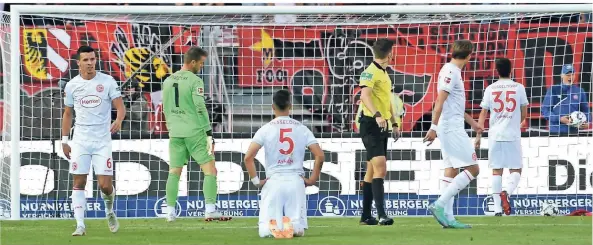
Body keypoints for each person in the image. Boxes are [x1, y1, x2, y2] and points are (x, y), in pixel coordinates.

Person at [62, 46, 126, 236]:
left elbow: (120, 108)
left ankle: (109, 210)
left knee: (105, 185)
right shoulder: (72, 85)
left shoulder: (107, 82)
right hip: (81, 138)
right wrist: (65, 140)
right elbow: (67, 114)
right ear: (78, 63)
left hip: (102, 140)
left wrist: (119, 119)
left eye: (92, 59)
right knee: (79, 181)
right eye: (86, 60)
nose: (90, 63)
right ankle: (80, 224)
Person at [162, 47, 231, 222]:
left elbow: (166, 108)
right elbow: (200, 107)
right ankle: (210, 209)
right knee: (210, 170)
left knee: (174, 172)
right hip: (195, 131)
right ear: (192, 62)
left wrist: (172, 126)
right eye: (201, 63)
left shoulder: (168, 80)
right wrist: (208, 132)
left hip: (175, 132)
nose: (201, 66)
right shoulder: (195, 81)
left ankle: (169, 212)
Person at [244, 89, 324, 239]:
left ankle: (274, 228)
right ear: (290, 106)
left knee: (265, 231)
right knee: (298, 228)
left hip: (273, 181)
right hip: (296, 181)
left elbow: (248, 157)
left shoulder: (265, 129)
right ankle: (292, 228)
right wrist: (312, 180)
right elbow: (319, 155)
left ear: (273, 107)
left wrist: (256, 182)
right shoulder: (302, 128)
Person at [423, 40, 483, 229]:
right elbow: (439, 101)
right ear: (469, 55)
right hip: (450, 128)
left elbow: (452, 104)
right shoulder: (451, 72)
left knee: (451, 170)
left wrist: (473, 123)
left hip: (450, 124)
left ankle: (447, 218)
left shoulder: (451, 70)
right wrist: (433, 127)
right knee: (474, 169)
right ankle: (439, 205)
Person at [475, 58, 528, 216]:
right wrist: (515, 123)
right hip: (512, 134)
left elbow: (483, 113)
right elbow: (524, 111)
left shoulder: (490, 88)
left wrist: (478, 135)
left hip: (495, 135)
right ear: (511, 70)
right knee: (516, 169)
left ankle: (497, 209)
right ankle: (507, 191)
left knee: (496, 171)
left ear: (496, 71)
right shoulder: (519, 88)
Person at [357, 38, 401, 226]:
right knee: (381, 167)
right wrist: (376, 115)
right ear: (389, 54)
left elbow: (386, 100)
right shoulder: (369, 73)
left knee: (371, 170)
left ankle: (366, 216)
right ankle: (382, 214)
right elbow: (364, 95)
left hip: (382, 124)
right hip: (370, 123)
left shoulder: (384, 74)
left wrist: (394, 122)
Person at [542, 64, 591, 134]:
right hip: (556, 132)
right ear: (562, 75)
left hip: (573, 133)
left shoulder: (580, 91)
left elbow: (586, 110)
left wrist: (587, 122)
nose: (570, 77)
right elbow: (545, 111)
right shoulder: (553, 90)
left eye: (572, 74)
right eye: (568, 75)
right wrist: (559, 119)